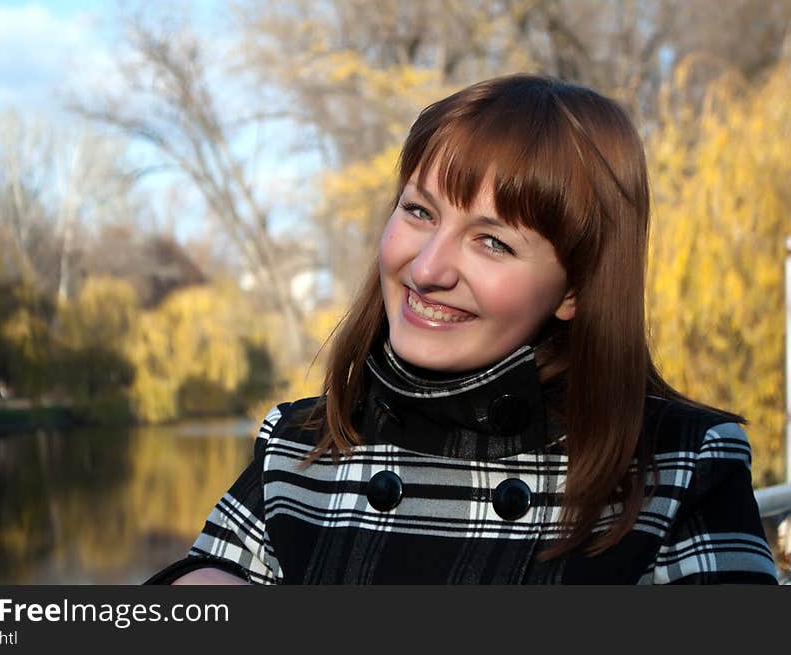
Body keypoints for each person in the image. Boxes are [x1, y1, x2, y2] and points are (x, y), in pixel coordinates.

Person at [145, 74, 778, 585]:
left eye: (493, 243)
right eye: (419, 211)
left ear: (577, 289)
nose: (426, 268)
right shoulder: (300, 447)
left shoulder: (679, 469)